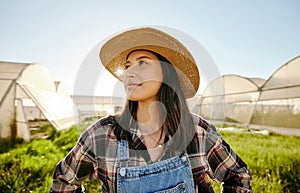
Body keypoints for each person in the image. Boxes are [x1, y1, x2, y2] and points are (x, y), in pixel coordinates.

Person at [50, 27, 252, 193]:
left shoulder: (198, 131)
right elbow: (63, 182)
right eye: (128, 66)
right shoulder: (101, 135)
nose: (129, 73)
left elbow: (238, 176)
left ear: (166, 74)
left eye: (142, 63)